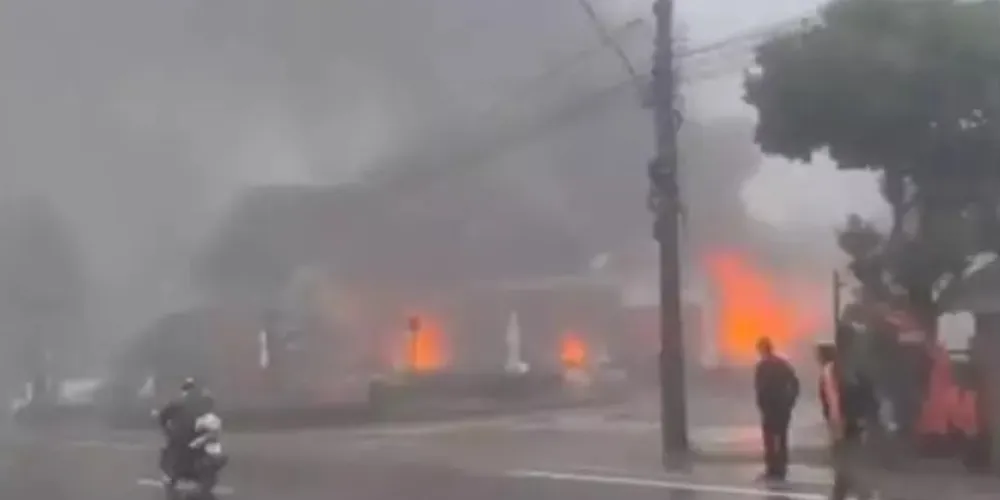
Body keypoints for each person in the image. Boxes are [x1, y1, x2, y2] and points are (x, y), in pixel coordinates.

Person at [819, 342, 878, 500]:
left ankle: (857, 492)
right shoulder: (851, 369)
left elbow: (831, 402)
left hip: (846, 425)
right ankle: (859, 492)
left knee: (846, 464)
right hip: (849, 425)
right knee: (848, 464)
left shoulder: (832, 372)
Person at [754, 336, 800, 481]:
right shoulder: (782, 364)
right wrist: (790, 401)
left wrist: (761, 404)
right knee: (781, 437)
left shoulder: (762, 366)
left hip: (770, 408)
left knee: (769, 439)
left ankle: (772, 468)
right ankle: (781, 467)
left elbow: (760, 389)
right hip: (782, 406)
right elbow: (795, 383)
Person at [158, 378, 211, 483]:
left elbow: (163, 416)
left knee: (171, 452)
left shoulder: (177, 402)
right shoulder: (203, 402)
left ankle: (171, 475)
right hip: (197, 433)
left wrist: (166, 429)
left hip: (181, 435)